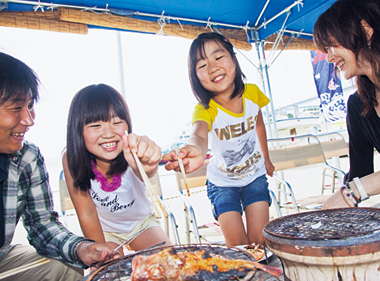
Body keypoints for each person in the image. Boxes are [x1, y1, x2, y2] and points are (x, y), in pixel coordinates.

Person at [0, 52, 120, 281]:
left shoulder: (27, 158)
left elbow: (42, 225)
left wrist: (81, 249)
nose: (29, 119)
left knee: (65, 267)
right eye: (16, 108)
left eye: (30, 105)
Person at [162, 32, 274, 246]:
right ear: (196, 77)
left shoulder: (252, 93)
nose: (213, 68)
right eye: (202, 65)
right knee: (239, 249)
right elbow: (198, 134)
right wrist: (195, 149)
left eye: (218, 57)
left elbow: (259, 123)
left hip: (255, 177)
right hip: (222, 184)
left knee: (260, 243)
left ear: (233, 58)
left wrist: (266, 159)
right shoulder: (204, 110)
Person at [62, 84, 172, 253]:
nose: (108, 133)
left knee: (169, 259)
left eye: (117, 122)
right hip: (105, 230)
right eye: (95, 125)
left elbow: (144, 171)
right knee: (109, 271)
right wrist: (101, 250)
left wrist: (149, 166)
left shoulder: (133, 149)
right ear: (77, 129)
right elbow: (87, 214)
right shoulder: (71, 160)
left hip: (141, 224)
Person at [313, 0, 380, 208]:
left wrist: (354, 192)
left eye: (332, 45)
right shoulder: (358, 106)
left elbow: (358, 187)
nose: (329, 57)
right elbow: (359, 175)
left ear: (365, 30)